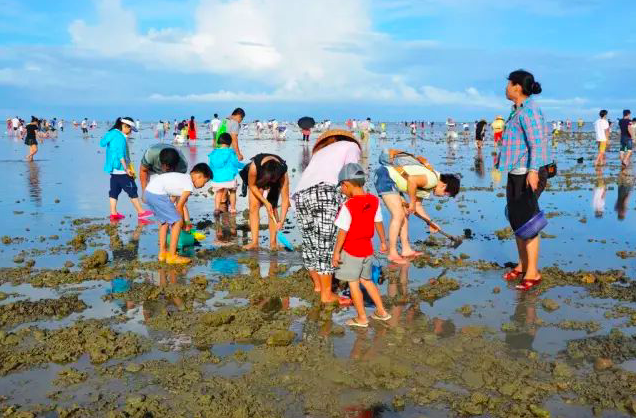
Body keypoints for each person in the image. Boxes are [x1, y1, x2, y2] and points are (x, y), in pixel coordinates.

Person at [497, 69, 550, 291]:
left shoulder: (530, 110)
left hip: (529, 172)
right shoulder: (516, 111)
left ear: (517, 86)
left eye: (509, 83)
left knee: (529, 222)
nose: (506, 87)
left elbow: (537, 143)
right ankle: (522, 265)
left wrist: (533, 171)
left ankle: (533, 273)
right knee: (517, 220)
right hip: (516, 171)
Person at [294, 130, 361, 304]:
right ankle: (327, 294)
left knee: (310, 243)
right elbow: (351, 175)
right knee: (325, 244)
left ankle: (318, 286)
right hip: (325, 192)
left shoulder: (320, 153)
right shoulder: (351, 146)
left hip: (300, 195)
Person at [374, 148, 461, 264]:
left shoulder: (430, 185)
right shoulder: (432, 179)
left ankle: (406, 250)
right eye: (445, 194)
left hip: (394, 182)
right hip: (385, 177)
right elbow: (411, 180)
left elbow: (418, 207)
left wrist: (430, 222)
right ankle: (392, 253)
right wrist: (412, 202)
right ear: (444, 186)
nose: (442, 196)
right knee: (398, 215)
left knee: (405, 214)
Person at [332, 163, 391, 327]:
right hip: (368, 249)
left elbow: (342, 232)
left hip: (351, 251)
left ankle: (362, 318)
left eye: (342, 188)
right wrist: (383, 241)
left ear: (346, 184)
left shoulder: (348, 206)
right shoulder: (373, 200)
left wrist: (336, 253)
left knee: (353, 284)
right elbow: (378, 220)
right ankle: (382, 311)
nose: (342, 191)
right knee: (367, 281)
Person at [144, 162, 212, 264]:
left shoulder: (183, 178)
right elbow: (179, 206)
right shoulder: (189, 185)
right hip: (158, 194)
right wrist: (182, 224)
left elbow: (172, 203)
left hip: (149, 192)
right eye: (204, 182)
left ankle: (162, 253)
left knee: (164, 222)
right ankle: (172, 256)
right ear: (199, 176)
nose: (203, 186)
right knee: (177, 222)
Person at [100, 117, 154, 221]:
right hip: (121, 170)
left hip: (113, 169)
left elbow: (102, 143)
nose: (130, 132)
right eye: (130, 129)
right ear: (124, 126)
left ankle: (113, 213)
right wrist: (126, 169)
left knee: (114, 191)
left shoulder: (111, 134)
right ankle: (141, 212)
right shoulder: (120, 137)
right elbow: (121, 154)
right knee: (132, 190)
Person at [239, 153, 290, 250]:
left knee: (273, 208)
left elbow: (285, 200)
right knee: (253, 207)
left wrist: (281, 221)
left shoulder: (282, 172)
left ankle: (273, 242)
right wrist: (265, 202)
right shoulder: (254, 167)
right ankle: (254, 242)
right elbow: (252, 186)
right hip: (258, 179)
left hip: (275, 180)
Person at [208, 133, 244, 215]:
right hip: (229, 178)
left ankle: (216, 209)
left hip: (217, 179)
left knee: (218, 193)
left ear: (219, 142)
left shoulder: (214, 153)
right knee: (232, 191)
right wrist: (245, 165)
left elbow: (211, 166)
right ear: (230, 142)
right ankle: (233, 209)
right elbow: (235, 163)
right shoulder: (230, 152)